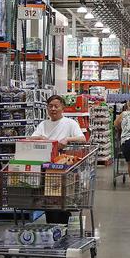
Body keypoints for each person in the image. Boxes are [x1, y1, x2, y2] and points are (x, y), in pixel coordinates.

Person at [31, 95, 87, 224]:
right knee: (50, 198)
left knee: (63, 197)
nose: (53, 109)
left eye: (56, 106)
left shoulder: (70, 123)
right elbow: (33, 137)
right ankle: (53, 228)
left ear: (63, 108)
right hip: (47, 167)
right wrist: (43, 140)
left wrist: (67, 139)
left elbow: (82, 138)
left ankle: (61, 227)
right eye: (50, 106)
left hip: (65, 168)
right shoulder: (43, 124)